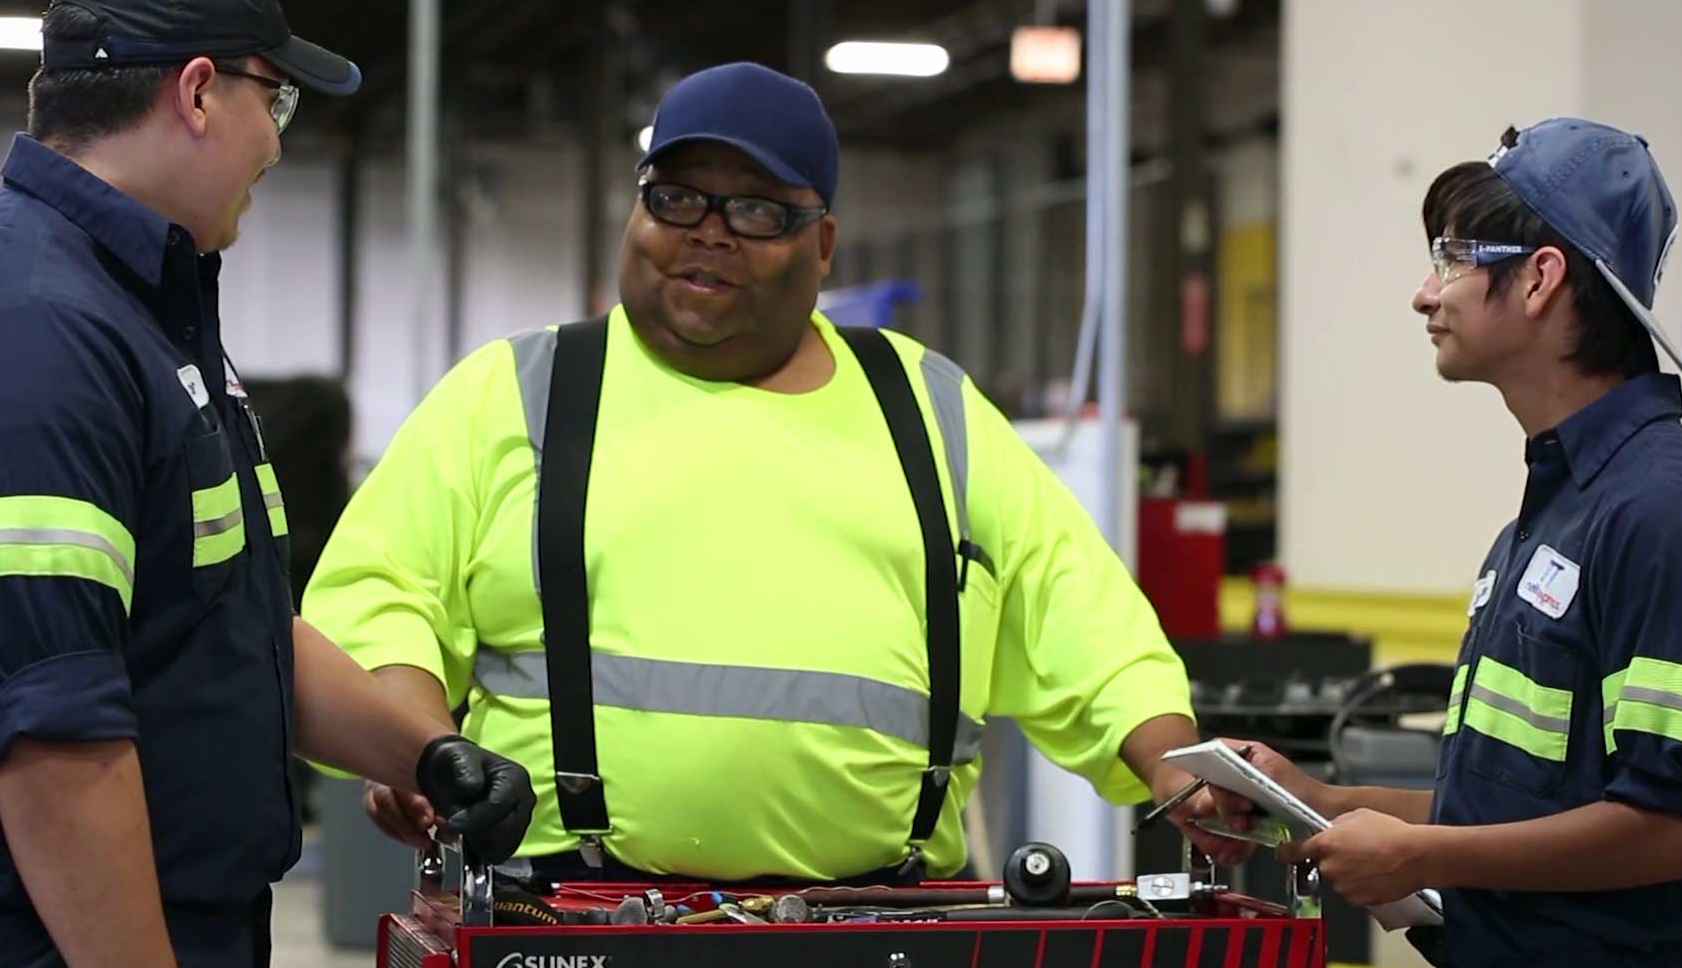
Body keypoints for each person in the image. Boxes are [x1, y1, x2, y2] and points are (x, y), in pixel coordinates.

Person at [301, 60, 1231, 889]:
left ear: (822, 245)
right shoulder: (519, 393)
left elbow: (1078, 612)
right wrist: (422, 750)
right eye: (676, 198)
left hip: (876, 943)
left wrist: (1175, 762)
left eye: (756, 210)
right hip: (570, 931)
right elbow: (383, 596)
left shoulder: (928, 412)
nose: (709, 233)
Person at [0, 0, 531, 968]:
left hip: (126, 939)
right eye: (277, 103)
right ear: (200, 93)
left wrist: (426, 753)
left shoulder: (130, 308)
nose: (278, 145)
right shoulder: (35, 333)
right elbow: (56, 749)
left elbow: (225, 626)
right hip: (40, 962)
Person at [1197, 118, 1682, 968]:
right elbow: (1504, 814)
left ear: (1539, 278)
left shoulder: (1657, 512)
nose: (1424, 293)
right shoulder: (1553, 514)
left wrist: (1421, 856)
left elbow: (1678, 831)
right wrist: (1312, 799)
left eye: (1452, 258)